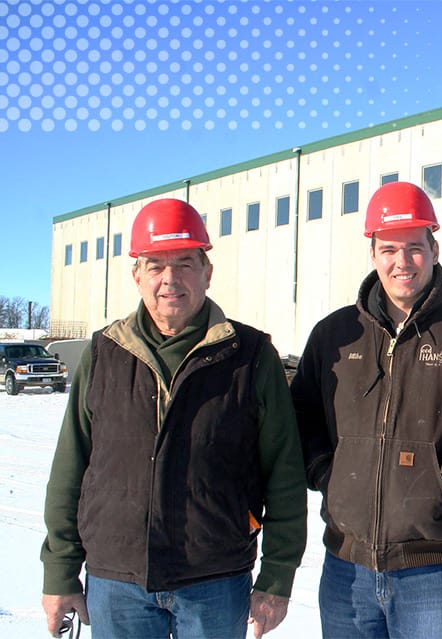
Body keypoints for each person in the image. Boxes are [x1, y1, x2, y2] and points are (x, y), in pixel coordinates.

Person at [40, 198, 308, 639]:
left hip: (215, 581)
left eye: (184, 263)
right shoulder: (104, 353)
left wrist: (277, 579)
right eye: (155, 265)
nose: (170, 279)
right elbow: (71, 468)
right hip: (116, 582)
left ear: (207, 271)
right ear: (136, 275)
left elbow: (284, 473)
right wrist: (60, 571)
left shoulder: (251, 356)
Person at [291, 181, 442, 638]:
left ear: (434, 249)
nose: (402, 262)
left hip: (437, 572)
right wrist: (327, 473)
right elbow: (301, 419)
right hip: (347, 569)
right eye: (389, 249)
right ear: (373, 253)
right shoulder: (334, 336)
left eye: (414, 248)